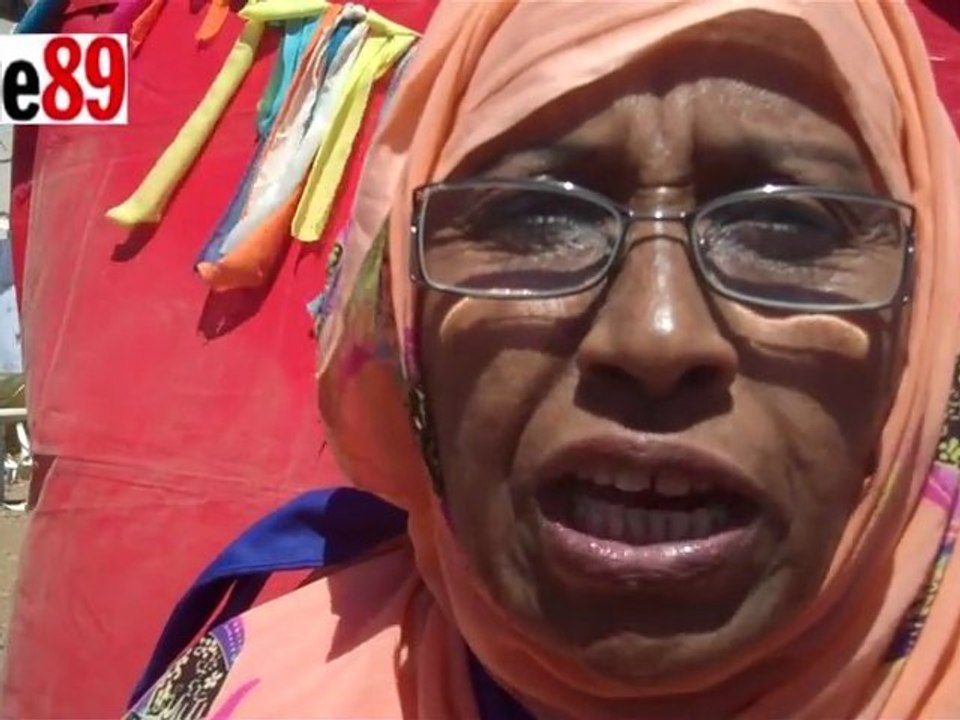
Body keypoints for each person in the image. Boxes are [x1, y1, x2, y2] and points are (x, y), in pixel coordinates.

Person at [125, 1, 960, 718]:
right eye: (534, 217)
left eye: (787, 227)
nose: (655, 336)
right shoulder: (263, 693)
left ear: (920, 328)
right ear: (404, 322)